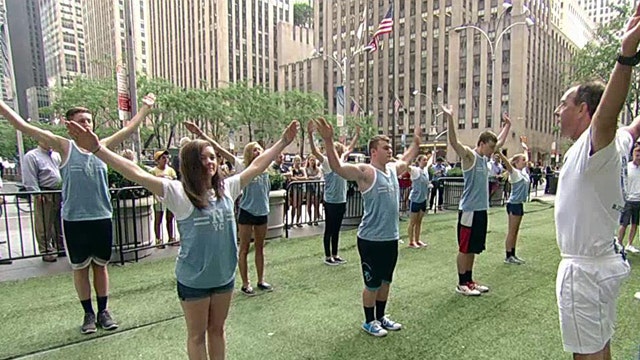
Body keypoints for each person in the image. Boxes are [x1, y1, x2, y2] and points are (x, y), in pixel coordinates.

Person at [68, 117, 298, 360]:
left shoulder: (228, 189)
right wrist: (97, 149)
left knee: (217, 330)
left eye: (212, 157)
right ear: (189, 164)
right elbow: (136, 173)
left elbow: (256, 166)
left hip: (223, 277)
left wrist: (283, 142)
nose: (209, 162)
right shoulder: (177, 192)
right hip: (194, 281)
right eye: (202, 158)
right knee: (197, 336)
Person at [0, 93, 155, 334]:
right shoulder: (64, 146)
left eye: (89, 121)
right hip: (75, 219)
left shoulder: (100, 147)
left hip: (102, 216)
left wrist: (146, 108)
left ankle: (104, 311)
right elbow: (23, 126)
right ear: (70, 125)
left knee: (100, 266)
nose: (87, 125)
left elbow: (129, 130)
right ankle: (88, 314)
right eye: (82, 121)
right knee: (80, 268)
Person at [553, 14, 640, 358]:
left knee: (588, 355)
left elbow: (610, 113)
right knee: (600, 347)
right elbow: (633, 123)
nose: (558, 110)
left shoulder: (598, 141)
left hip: (585, 273)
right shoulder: (618, 140)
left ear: (583, 110)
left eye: (564, 104)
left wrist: (626, 55)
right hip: (601, 265)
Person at [314, 117, 420, 337]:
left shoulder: (392, 169)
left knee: (385, 281)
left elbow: (408, 158)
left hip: (390, 238)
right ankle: (369, 321)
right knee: (372, 284)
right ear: (374, 152)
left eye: (390, 147)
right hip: (370, 239)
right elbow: (338, 167)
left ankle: (381, 317)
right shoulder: (365, 171)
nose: (390, 150)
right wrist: (328, 140)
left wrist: (416, 142)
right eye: (385, 147)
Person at [184, 121, 275, 297]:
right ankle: (245, 283)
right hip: (247, 213)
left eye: (259, 149)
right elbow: (219, 148)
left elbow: (273, 154)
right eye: (254, 149)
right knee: (244, 249)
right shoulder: (243, 166)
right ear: (249, 153)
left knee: (260, 248)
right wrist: (200, 133)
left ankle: (261, 279)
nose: (258, 152)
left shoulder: (265, 170)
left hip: (263, 213)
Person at [444, 107, 511, 296]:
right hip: (469, 210)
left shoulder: (485, 159)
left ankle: (470, 280)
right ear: (481, 144)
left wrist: (507, 126)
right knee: (465, 248)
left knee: (473, 248)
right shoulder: (470, 156)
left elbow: (500, 141)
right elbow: (454, 142)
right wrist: (450, 118)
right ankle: (461, 283)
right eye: (490, 148)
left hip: (481, 210)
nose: (493, 151)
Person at [308, 123, 359, 265]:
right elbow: (314, 150)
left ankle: (335, 254)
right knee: (329, 229)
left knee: (337, 229)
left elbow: (350, 149)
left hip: (341, 200)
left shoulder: (341, 162)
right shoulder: (325, 162)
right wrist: (310, 135)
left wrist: (357, 135)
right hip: (330, 201)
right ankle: (327, 256)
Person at [22, 141, 63, 262]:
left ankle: (60, 246)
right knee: (44, 223)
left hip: (58, 191)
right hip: (44, 192)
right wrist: (36, 192)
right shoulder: (32, 156)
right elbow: (29, 176)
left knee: (58, 221)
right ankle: (46, 250)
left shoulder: (56, 156)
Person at [494, 141, 530, 265]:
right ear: (516, 162)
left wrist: (525, 148)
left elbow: (527, 158)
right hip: (513, 204)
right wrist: (499, 153)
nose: (525, 162)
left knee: (516, 231)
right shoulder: (514, 173)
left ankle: (513, 254)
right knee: (512, 231)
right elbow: (508, 164)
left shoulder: (523, 172)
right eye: (523, 160)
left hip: (519, 204)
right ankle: (508, 256)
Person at [150, 150, 178, 248]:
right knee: (158, 219)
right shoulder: (153, 171)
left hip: (169, 198)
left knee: (170, 218)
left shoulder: (171, 170)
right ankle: (158, 240)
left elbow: (175, 182)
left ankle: (171, 238)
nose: (166, 159)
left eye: (167, 157)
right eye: (163, 158)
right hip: (158, 198)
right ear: (157, 160)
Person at [616, 143, 640, 254]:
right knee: (624, 224)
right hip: (627, 201)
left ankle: (629, 244)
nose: (639, 156)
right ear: (633, 154)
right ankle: (619, 244)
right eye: (637, 153)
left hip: (638, 200)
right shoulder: (627, 167)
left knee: (634, 224)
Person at [406, 152, 433, 248]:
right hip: (415, 200)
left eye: (426, 160)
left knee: (419, 222)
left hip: (423, 200)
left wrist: (433, 153)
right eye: (423, 160)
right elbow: (407, 167)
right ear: (419, 161)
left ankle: (417, 240)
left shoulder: (425, 170)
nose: (425, 161)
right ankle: (411, 242)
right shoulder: (415, 171)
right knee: (412, 222)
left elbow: (430, 162)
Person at [304, 154, 322, 226]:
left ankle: (315, 219)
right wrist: (313, 178)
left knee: (316, 204)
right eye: (311, 160)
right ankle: (310, 219)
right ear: (308, 161)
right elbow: (306, 177)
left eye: (313, 160)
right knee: (308, 204)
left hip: (316, 187)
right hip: (309, 188)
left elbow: (319, 176)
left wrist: (311, 178)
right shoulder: (305, 169)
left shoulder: (317, 169)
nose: (312, 161)